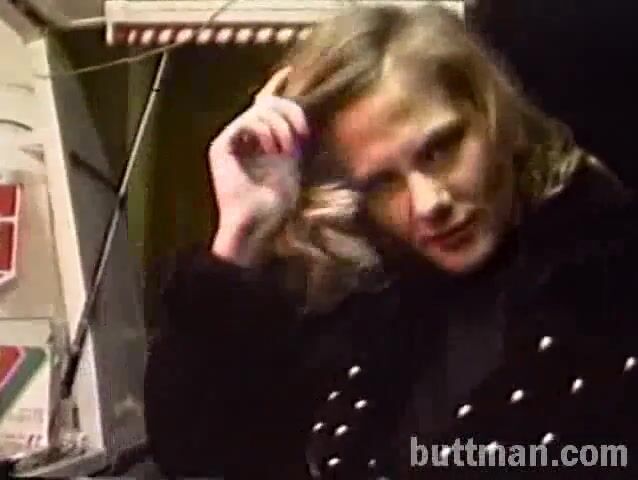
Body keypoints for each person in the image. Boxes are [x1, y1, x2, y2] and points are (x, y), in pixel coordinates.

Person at [144, 5, 638, 479]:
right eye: (382, 182)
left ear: (494, 116)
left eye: (441, 149)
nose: (429, 203)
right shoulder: (363, 313)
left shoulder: (610, 291)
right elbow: (192, 451)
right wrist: (240, 234)